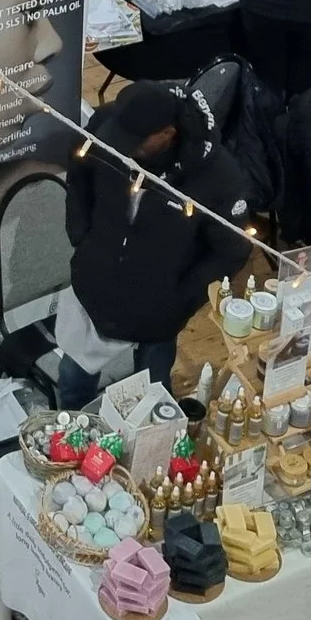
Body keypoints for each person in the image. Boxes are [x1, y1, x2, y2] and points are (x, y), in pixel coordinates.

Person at [55, 81, 251, 407]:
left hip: (159, 311)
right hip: (95, 284)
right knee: (72, 384)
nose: (121, 147)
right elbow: (79, 170)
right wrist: (82, 235)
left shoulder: (217, 176)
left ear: (167, 134)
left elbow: (232, 250)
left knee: (152, 397)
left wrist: (181, 297)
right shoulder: (110, 127)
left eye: (135, 142)